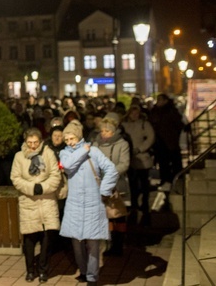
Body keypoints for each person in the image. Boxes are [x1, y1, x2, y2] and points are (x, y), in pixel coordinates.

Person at [59, 120, 118, 286]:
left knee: (93, 243)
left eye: (72, 138)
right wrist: (82, 151)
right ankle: (83, 271)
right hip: (75, 205)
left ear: (79, 136)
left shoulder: (95, 151)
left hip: (93, 203)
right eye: (67, 140)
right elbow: (68, 165)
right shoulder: (65, 153)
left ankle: (92, 276)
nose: (69, 142)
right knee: (76, 242)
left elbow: (111, 170)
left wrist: (104, 190)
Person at [10, 129, 62, 282]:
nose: (33, 146)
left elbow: (55, 175)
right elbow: (16, 178)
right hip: (29, 202)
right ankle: (30, 270)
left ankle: (43, 270)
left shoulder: (48, 153)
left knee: (47, 240)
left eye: (36, 142)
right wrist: (32, 188)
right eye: (30, 143)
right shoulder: (19, 156)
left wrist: (43, 187)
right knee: (30, 240)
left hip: (47, 201)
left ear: (41, 141)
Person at [96, 118, 131, 256]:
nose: (104, 133)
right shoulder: (95, 145)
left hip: (117, 183)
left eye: (107, 131)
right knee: (106, 215)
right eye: (102, 130)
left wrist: (110, 174)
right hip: (99, 184)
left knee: (118, 214)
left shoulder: (122, 144)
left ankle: (118, 244)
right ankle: (108, 243)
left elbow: (124, 163)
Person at [122, 104, 155, 225]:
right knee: (132, 182)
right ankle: (134, 202)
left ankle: (144, 202)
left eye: (136, 113)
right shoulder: (125, 125)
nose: (134, 116)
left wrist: (141, 148)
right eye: (133, 113)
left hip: (142, 157)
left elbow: (150, 137)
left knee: (144, 181)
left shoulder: (144, 124)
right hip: (130, 157)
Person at [149, 94, 184, 191]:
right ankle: (165, 179)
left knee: (174, 162)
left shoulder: (171, 111)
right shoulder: (156, 111)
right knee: (163, 163)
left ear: (165, 100)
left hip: (170, 140)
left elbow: (178, 124)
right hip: (160, 141)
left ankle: (176, 179)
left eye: (160, 99)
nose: (158, 101)